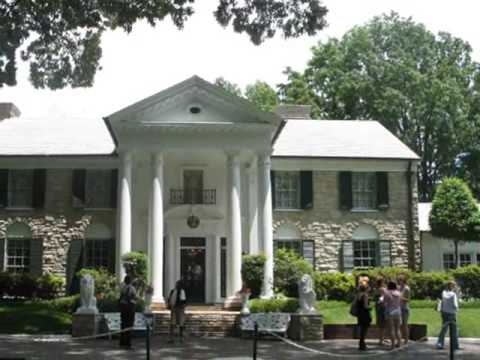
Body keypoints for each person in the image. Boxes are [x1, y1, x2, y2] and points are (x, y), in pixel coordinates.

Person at [436, 281, 460, 350]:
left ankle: (440, 343)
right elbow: (455, 305)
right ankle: (455, 345)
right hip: (452, 314)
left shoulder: (443, 292)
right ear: (452, 287)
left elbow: (443, 302)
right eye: (454, 286)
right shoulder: (453, 295)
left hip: (444, 313)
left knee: (443, 329)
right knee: (454, 330)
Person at [119, 275, 137, 349]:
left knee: (123, 325)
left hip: (123, 308)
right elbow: (134, 297)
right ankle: (128, 343)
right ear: (130, 281)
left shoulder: (122, 287)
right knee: (129, 325)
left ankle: (122, 342)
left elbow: (120, 297)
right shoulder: (132, 288)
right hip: (130, 308)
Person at [383, 281, 402, 349]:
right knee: (398, 329)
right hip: (398, 311)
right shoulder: (399, 293)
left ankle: (392, 345)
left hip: (390, 311)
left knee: (391, 329)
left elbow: (384, 303)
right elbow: (400, 302)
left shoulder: (387, 293)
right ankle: (399, 344)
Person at [355, 279, 372, 351]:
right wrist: (371, 307)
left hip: (359, 313)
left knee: (362, 328)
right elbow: (365, 306)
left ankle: (361, 344)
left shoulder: (358, 294)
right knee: (364, 329)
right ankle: (362, 344)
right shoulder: (365, 295)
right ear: (366, 288)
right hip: (364, 313)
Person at [374, 277, 387, 346]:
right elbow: (382, 298)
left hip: (378, 307)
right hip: (382, 307)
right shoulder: (382, 289)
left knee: (381, 323)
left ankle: (382, 338)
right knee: (382, 324)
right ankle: (381, 340)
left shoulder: (376, 289)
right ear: (382, 282)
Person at [398, 274, 411, 344]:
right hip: (399, 308)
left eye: (401, 280)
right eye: (399, 280)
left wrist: (401, 298)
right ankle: (400, 340)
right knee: (399, 324)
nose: (400, 282)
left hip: (405, 308)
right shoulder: (399, 288)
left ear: (404, 281)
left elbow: (408, 300)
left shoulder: (407, 288)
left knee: (404, 324)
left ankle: (406, 340)